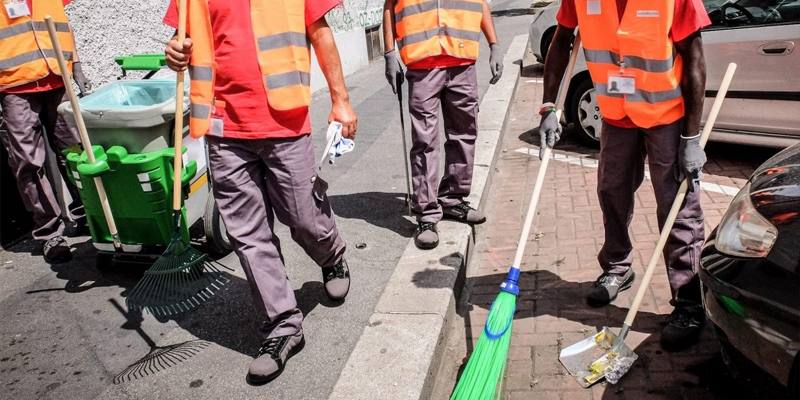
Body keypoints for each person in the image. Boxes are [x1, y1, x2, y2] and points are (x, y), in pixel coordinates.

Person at [163, 0, 357, 384]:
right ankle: (283, 325)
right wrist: (173, 54)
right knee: (248, 234)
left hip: (285, 122)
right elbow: (181, 40)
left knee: (303, 215)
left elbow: (319, 32)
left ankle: (331, 254)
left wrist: (341, 100)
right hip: (222, 127)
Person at [541, 0, 711, 350]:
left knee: (677, 207)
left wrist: (691, 138)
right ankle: (618, 267)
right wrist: (549, 106)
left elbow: (694, 59)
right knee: (611, 190)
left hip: (666, 115)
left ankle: (689, 300)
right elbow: (560, 42)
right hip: (617, 113)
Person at [382, 0, 503, 250]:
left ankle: (452, 199)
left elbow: (481, 4)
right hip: (423, 64)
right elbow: (389, 6)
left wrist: (495, 44)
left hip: (462, 64)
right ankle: (426, 213)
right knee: (425, 141)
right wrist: (389, 53)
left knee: (465, 134)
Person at [0, 0, 89, 264]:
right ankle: (50, 231)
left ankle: (89, 214)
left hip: (58, 76)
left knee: (75, 152)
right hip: (14, 86)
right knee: (28, 162)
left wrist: (77, 66)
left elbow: (63, 23)